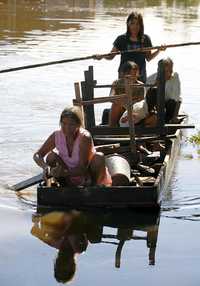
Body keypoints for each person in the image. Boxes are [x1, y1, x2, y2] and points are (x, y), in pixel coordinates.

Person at [33, 107, 112, 186]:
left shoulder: (84, 137)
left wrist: (63, 173)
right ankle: (64, 185)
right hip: (66, 176)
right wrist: (45, 167)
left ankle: (94, 187)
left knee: (99, 157)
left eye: (71, 124)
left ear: (78, 125)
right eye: (64, 123)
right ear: (60, 123)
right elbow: (37, 155)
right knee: (51, 157)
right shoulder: (56, 135)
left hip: (86, 176)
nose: (67, 128)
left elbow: (82, 169)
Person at [95, 11, 165, 82]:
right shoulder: (121, 39)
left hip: (140, 76)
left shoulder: (145, 39)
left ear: (141, 25)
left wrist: (159, 50)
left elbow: (149, 58)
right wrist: (102, 56)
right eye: (132, 23)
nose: (135, 26)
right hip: (124, 76)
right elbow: (111, 56)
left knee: (139, 92)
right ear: (128, 24)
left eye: (137, 24)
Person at [109, 61, 145, 127]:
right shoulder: (116, 83)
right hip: (121, 107)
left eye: (136, 75)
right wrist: (122, 101)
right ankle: (112, 130)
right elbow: (111, 97)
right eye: (132, 75)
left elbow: (140, 102)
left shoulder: (140, 85)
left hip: (134, 109)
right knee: (115, 105)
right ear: (124, 74)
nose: (134, 77)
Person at [147, 57, 181, 123]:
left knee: (172, 102)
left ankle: (169, 120)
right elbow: (147, 99)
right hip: (154, 107)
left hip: (168, 105)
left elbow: (176, 98)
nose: (170, 73)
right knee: (153, 91)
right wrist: (157, 83)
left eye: (171, 70)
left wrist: (175, 116)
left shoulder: (175, 77)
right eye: (167, 71)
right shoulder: (150, 79)